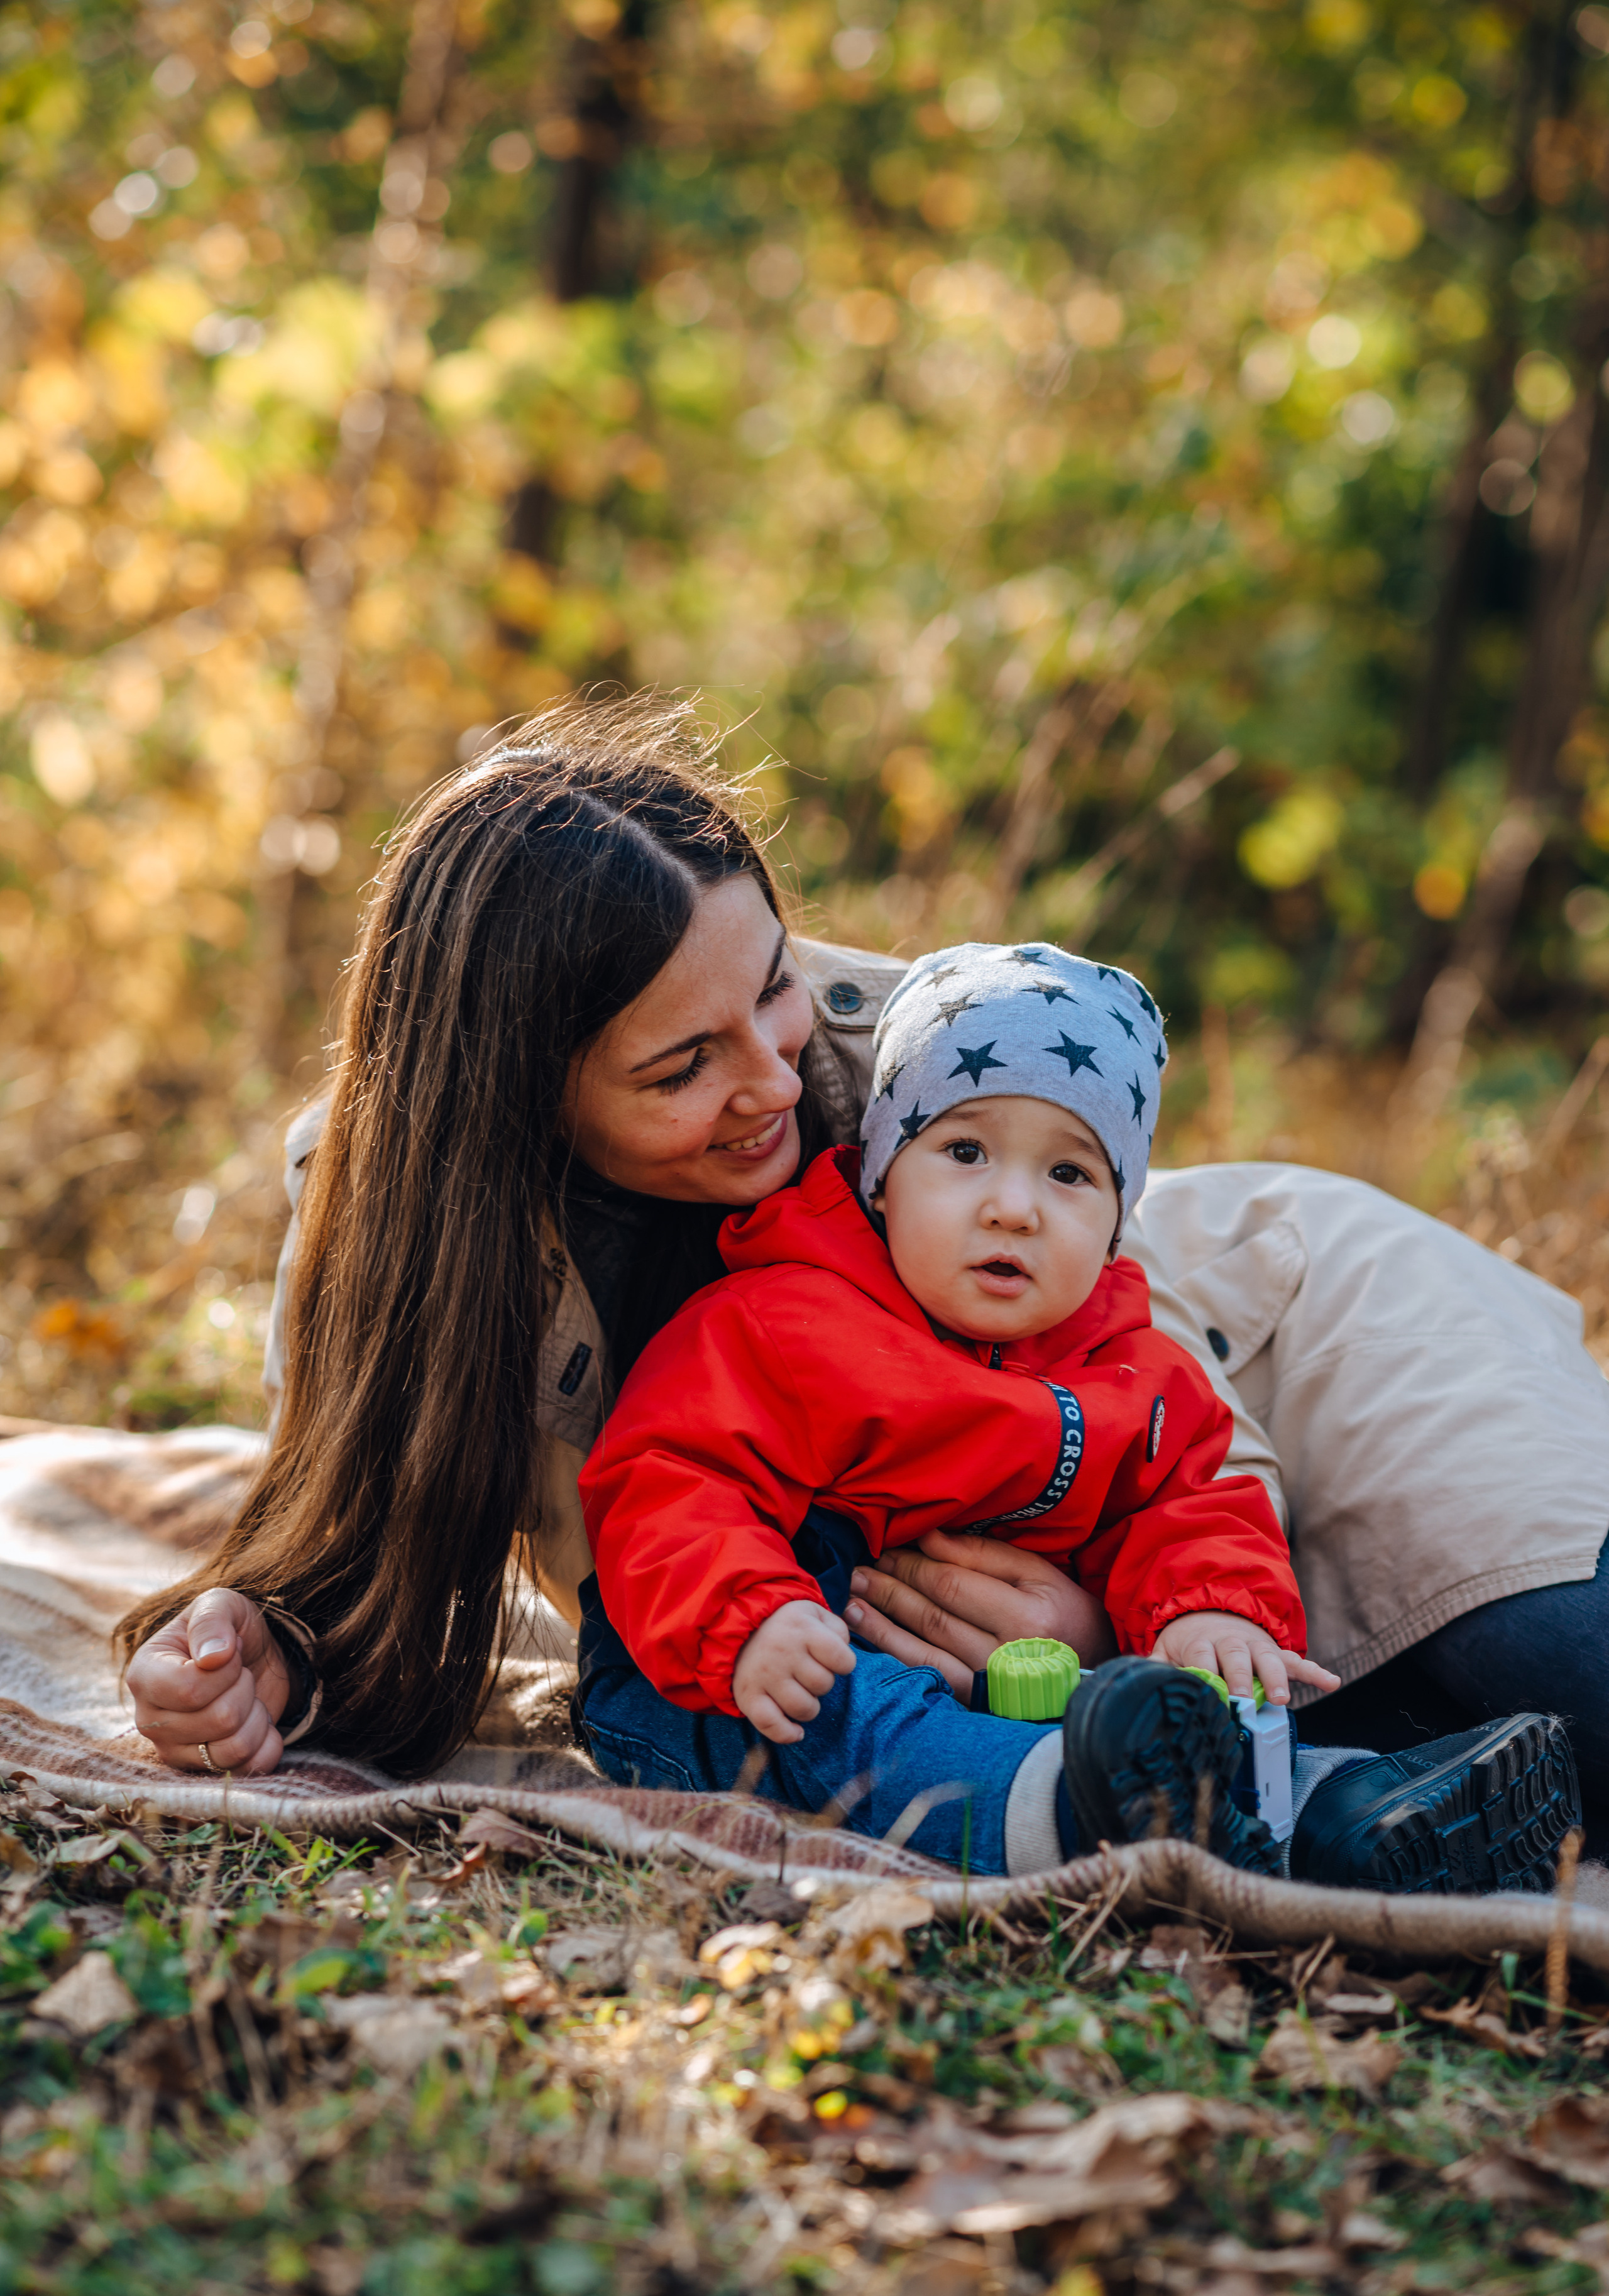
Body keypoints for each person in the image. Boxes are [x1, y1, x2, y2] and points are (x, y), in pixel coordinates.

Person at [113, 698, 1609, 1857]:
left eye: (769, 987)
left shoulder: (916, 1054)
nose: (773, 1078)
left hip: (1288, 1337)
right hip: (1021, 1532)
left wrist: (1096, 1629)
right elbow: (366, 1518)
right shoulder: (399, 1222)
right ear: (518, 1095)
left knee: (1566, 1676)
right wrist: (269, 1645)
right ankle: (1352, 1812)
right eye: (681, 1065)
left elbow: (1152, 1389)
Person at [575, 940, 1581, 1890]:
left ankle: (1339, 1807)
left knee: (1204, 1714)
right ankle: (1073, 1808)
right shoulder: (780, 1316)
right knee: (845, 1714)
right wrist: (751, 1611)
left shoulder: (1128, 1368)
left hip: (1052, 1690)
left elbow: (1195, 1497)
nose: (1015, 1206)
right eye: (964, 1150)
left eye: (1069, 1174)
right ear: (884, 1179)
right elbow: (668, 1474)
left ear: (1113, 1224)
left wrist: (1210, 1609)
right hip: (759, 1646)